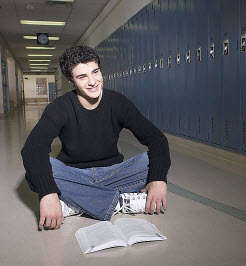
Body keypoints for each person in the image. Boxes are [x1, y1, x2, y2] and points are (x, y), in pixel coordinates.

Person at [21, 46, 171, 230]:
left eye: (95, 72)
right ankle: (118, 203)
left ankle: (77, 202)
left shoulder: (118, 103)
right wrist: (48, 193)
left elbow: (157, 139)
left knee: (152, 162)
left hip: (114, 173)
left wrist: (158, 179)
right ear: (71, 81)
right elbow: (33, 148)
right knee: (34, 171)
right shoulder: (59, 108)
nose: (93, 81)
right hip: (73, 174)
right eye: (82, 76)